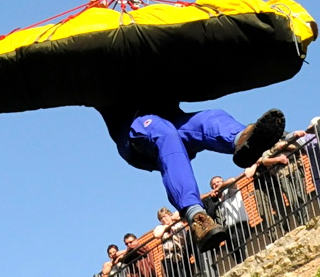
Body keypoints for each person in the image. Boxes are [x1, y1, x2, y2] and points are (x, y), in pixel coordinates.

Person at [94, 100, 287, 252]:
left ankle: (242, 140)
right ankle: (196, 217)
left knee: (211, 118)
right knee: (164, 132)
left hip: (173, 120)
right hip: (134, 131)